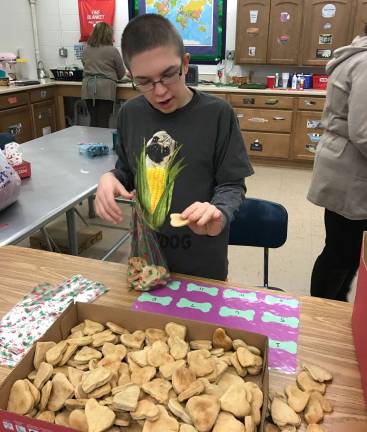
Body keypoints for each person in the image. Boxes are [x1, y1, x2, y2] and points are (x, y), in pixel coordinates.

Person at [95, 13, 253, 281]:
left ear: (185, 64)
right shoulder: (129, 114)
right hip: (146, 262)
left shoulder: (218, 114)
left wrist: (219, 211)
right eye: (144, 81)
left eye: (169, 75)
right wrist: (109, 178)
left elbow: (232, 185)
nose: (160, 92)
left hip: (203, 265)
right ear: (131, 76)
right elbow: (128, 171)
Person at [308, 27, 367, 301]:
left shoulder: (356, 57)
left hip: (344, 164)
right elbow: (363, 131)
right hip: (351, 169)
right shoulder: (365, 63)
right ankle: (322, 310)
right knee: (342, 252)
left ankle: (335, 305)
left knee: (346, 250)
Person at [81, 22, 125, 128]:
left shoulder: (87, 49)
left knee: (93, 119)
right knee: (103, 120)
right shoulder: (113, 51)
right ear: (109, 34)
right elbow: (121, 72)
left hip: (88, 88)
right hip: (105, 89)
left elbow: (84, 63)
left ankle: (92, 144)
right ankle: (102, 144)